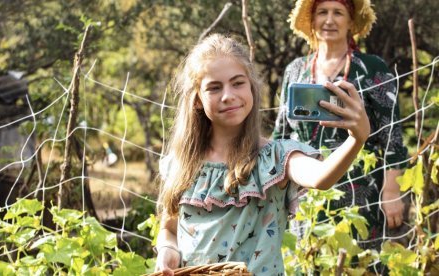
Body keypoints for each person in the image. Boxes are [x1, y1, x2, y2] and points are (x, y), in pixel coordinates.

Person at [154, 33, 370, 276]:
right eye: (214, 87)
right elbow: (170, 229)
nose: (228, 95)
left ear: (252, 87)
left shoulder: (274, 158)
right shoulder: (182, 164)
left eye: (237, 83)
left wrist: (356, 138)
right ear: (197, 100)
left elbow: (321, 177)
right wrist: (166, 250)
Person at [273, 0, 408, 271]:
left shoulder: (372, 68)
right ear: (311, 20)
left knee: (360, 264)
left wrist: (392, 191)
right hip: (305, 191)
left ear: (351, 21)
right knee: (309, 261)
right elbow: (281, 134)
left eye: (338, 13)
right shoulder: (295, 70)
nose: (329, 20)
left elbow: (392, 134)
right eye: (322, 12)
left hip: (360, 190)